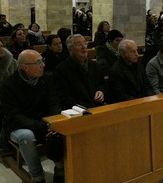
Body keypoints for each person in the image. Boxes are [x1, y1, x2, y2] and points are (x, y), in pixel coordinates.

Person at [0, 50, 64, 183]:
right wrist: (41, 126)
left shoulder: (46, 78)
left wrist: (53, 121)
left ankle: (60, 170)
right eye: (38, 63)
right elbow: (14, 116)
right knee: (27, 136)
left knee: (61, 126)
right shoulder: (9, 85)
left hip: (43, 121)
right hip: (18, 125)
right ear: (24, 67)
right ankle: (37, 176)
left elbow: (54, 101)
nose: (43, 65)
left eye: (42, 61)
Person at [54, 34, 106, 110]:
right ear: (70, 49)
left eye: (85, 43)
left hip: (98, 107)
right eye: (79, 44)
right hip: (78, 111)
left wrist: (101, 92)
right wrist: (85, 107)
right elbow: (65, 98)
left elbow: (102, 84)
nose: (84, 47)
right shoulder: (61, 70)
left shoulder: (94, 65)